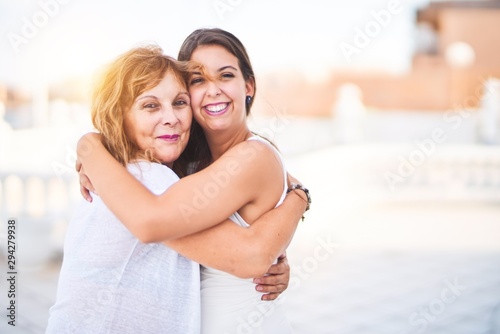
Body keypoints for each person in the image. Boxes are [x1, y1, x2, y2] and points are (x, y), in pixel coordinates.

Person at [49, 44, 307, 333]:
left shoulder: (142, 172)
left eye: (179, 102)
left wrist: (298, 193)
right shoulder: (151, 180)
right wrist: (298, 197)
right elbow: (251, 255)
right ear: (119, 115)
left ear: (248, 85)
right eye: (150, 105)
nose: (170, 117)